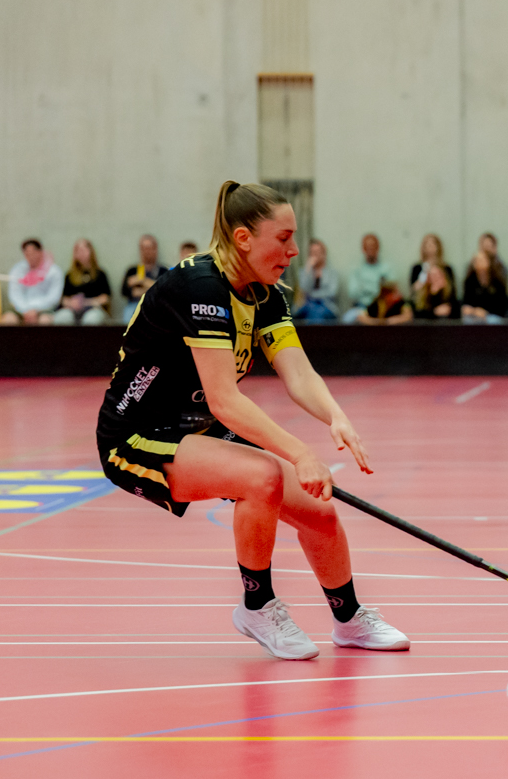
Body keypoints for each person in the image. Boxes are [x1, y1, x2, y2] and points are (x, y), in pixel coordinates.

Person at [96, 181, 409, 660]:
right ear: (243, 238)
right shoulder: (201, 286)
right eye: (283, 238)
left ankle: (349, 620)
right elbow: (225, 400)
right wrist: (300, 453)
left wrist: (336, 416)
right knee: (261, 477)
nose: (294, 250)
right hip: (138, 434)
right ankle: (257, 606)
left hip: (196, 425)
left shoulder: (266, 294)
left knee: (319, 511)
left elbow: (297, 373)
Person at [1, 239, 64, 325]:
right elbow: (15, 294)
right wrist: (25, 310)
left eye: (33, 253)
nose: (30, 257)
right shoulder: (18, 270)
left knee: (45, 320)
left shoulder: (54, 271)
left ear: (40, 252)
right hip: (21, 310)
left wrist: (36, 310)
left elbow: (53, 297)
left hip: (44, 310)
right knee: (8, 319)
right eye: (27, 254)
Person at [54, 238, 112, 325]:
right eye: (78, 251)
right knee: (62, 317)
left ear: (91, 251)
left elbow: (106, 298)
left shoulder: (100, 274)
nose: (81, 253)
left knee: (91, 319)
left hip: (93, 309)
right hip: (73, 310)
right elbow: (63, 299)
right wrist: (71, 303)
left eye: (83, 250)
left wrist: (87, 302)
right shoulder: (70, 275)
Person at [343, 233, 394, 323]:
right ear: (363, 249)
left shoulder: (386, 269)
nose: (371, 249)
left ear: (378, 248)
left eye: (373, 246)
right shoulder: (356, 270)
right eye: (368, 247)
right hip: (361, 307)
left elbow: (391, 290)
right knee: (347, 319)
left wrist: (364, 286)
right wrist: (376, 286)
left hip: (382, 308)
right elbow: (352, 293)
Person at [121, 234, 168, 325]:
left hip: (157, 306)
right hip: (135, 306)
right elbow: (125, 291)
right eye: (144, 248)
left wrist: (142, 281)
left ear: (155, 249)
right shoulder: (132, 270)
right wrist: (152, 288)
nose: (147, 252)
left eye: (150, 248)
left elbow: (165, 291)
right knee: (128, 316)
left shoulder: (163, 271)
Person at [293, 239, 340, 322]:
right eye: (312, 252)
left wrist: (312, 296)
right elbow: (303, 289)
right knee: (311, 309)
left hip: (326, 305)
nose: (315, 255)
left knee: (316, 311)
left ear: (324, 254)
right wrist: (308, 269)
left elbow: (332, 292)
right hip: (306, 305)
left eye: (317, 252)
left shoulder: (332, 273)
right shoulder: (304, 271)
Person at [461, 250, 508, 322]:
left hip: (492, 315)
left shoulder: (497, 281)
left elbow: (501, 307)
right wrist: (474, 311)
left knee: (494, 321)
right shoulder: (469, 281)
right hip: (474, 315)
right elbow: (466, 306)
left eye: (482, 260)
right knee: (467, 320)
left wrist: (485, 313)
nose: (479, 263)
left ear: (489, 262)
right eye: (476, 261)